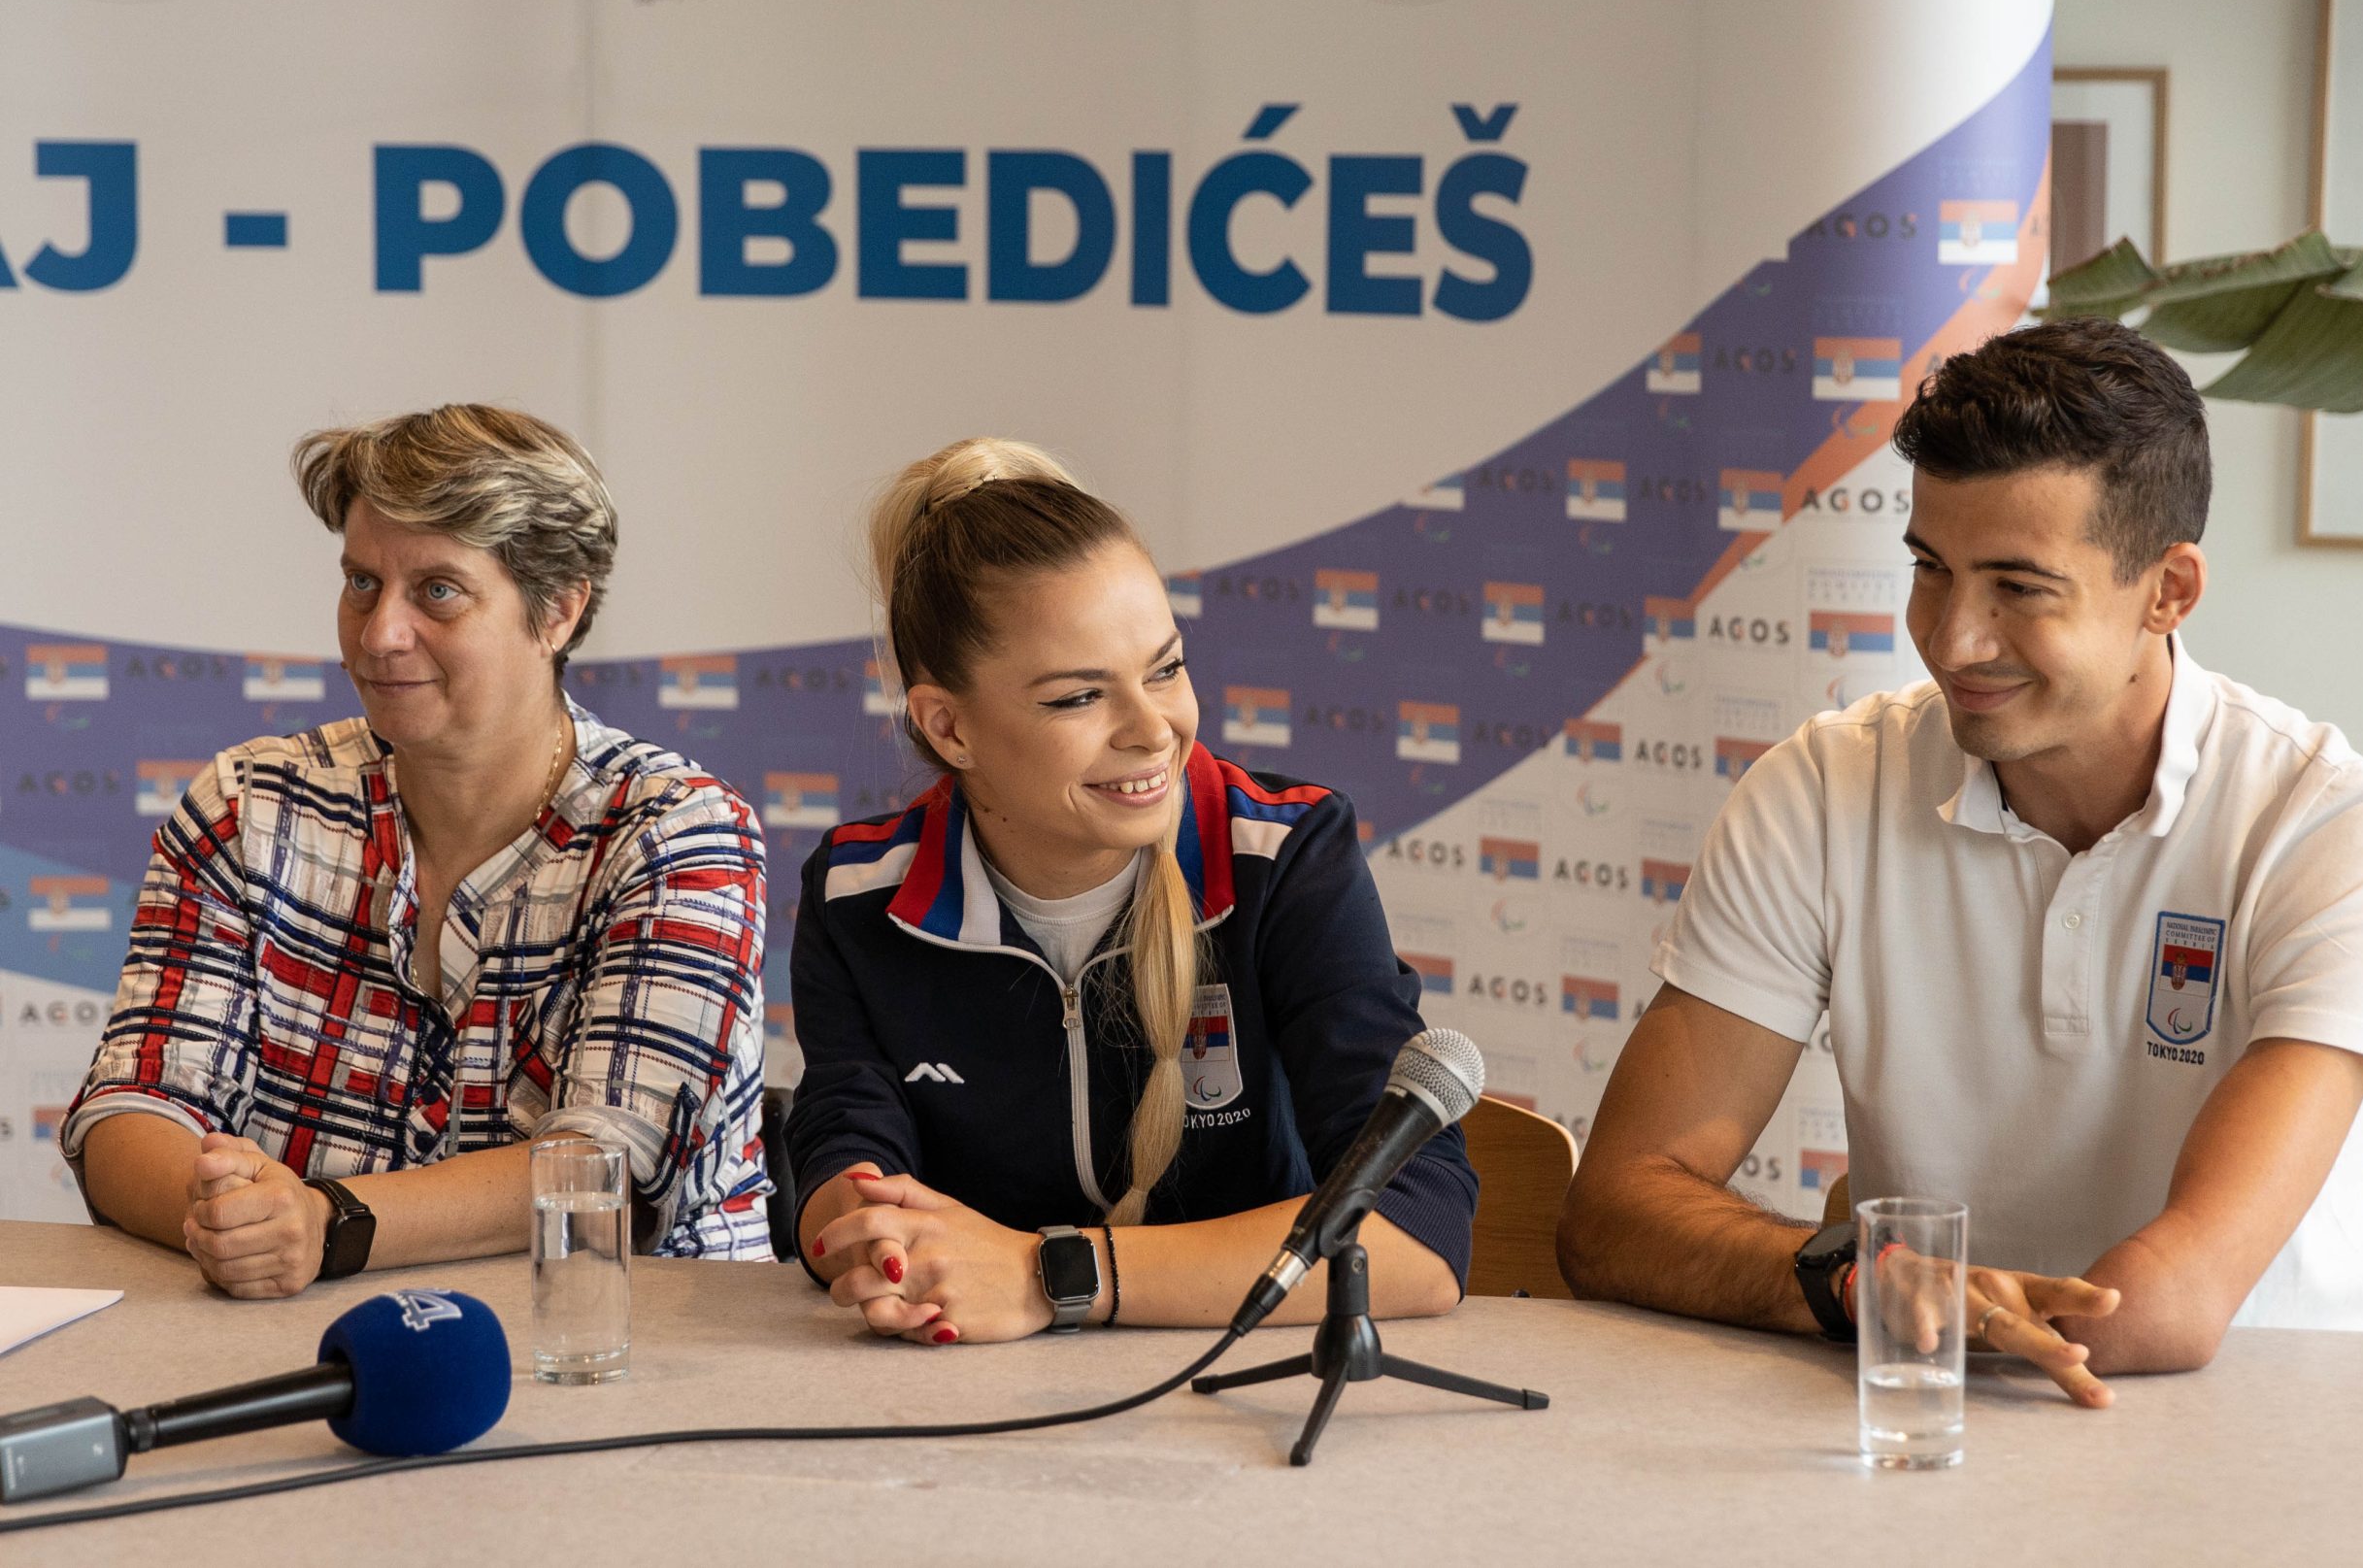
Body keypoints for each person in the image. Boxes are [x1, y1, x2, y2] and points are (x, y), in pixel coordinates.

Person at [1557, 318, 2363, 1405]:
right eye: (1930, 569)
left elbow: (2166, 1303)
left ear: (2168, 591)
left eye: (2019, 588)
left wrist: (1925, 1304)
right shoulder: (1822, 789)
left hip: (2254, 1445)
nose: (1952, 640)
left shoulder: (2336, 835)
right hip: (1919, 1428)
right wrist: (1858, 1278)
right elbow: (1615, 1211)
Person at [63, 406, 773, 1296]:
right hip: (307, 1333)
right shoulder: (247, 805)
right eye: (362, 582)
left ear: (558, 610)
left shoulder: (678, 832)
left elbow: (605, 1171)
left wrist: (325, 1221)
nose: (379, 633)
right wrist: (232, 1220)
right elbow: (130, 1107)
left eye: (437, 590)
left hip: (636, 1343)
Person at [786, 439, 1476, 1343]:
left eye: (1166, 668)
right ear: (948, 726)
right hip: (955, 1388)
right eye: (1080, 697)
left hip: (1237, 1381)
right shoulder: (854, 895)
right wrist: (873, 1233)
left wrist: (1051, 1276)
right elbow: (841, 1154)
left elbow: (1418, 1231)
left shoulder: (1286, 856)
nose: (1154, 729)